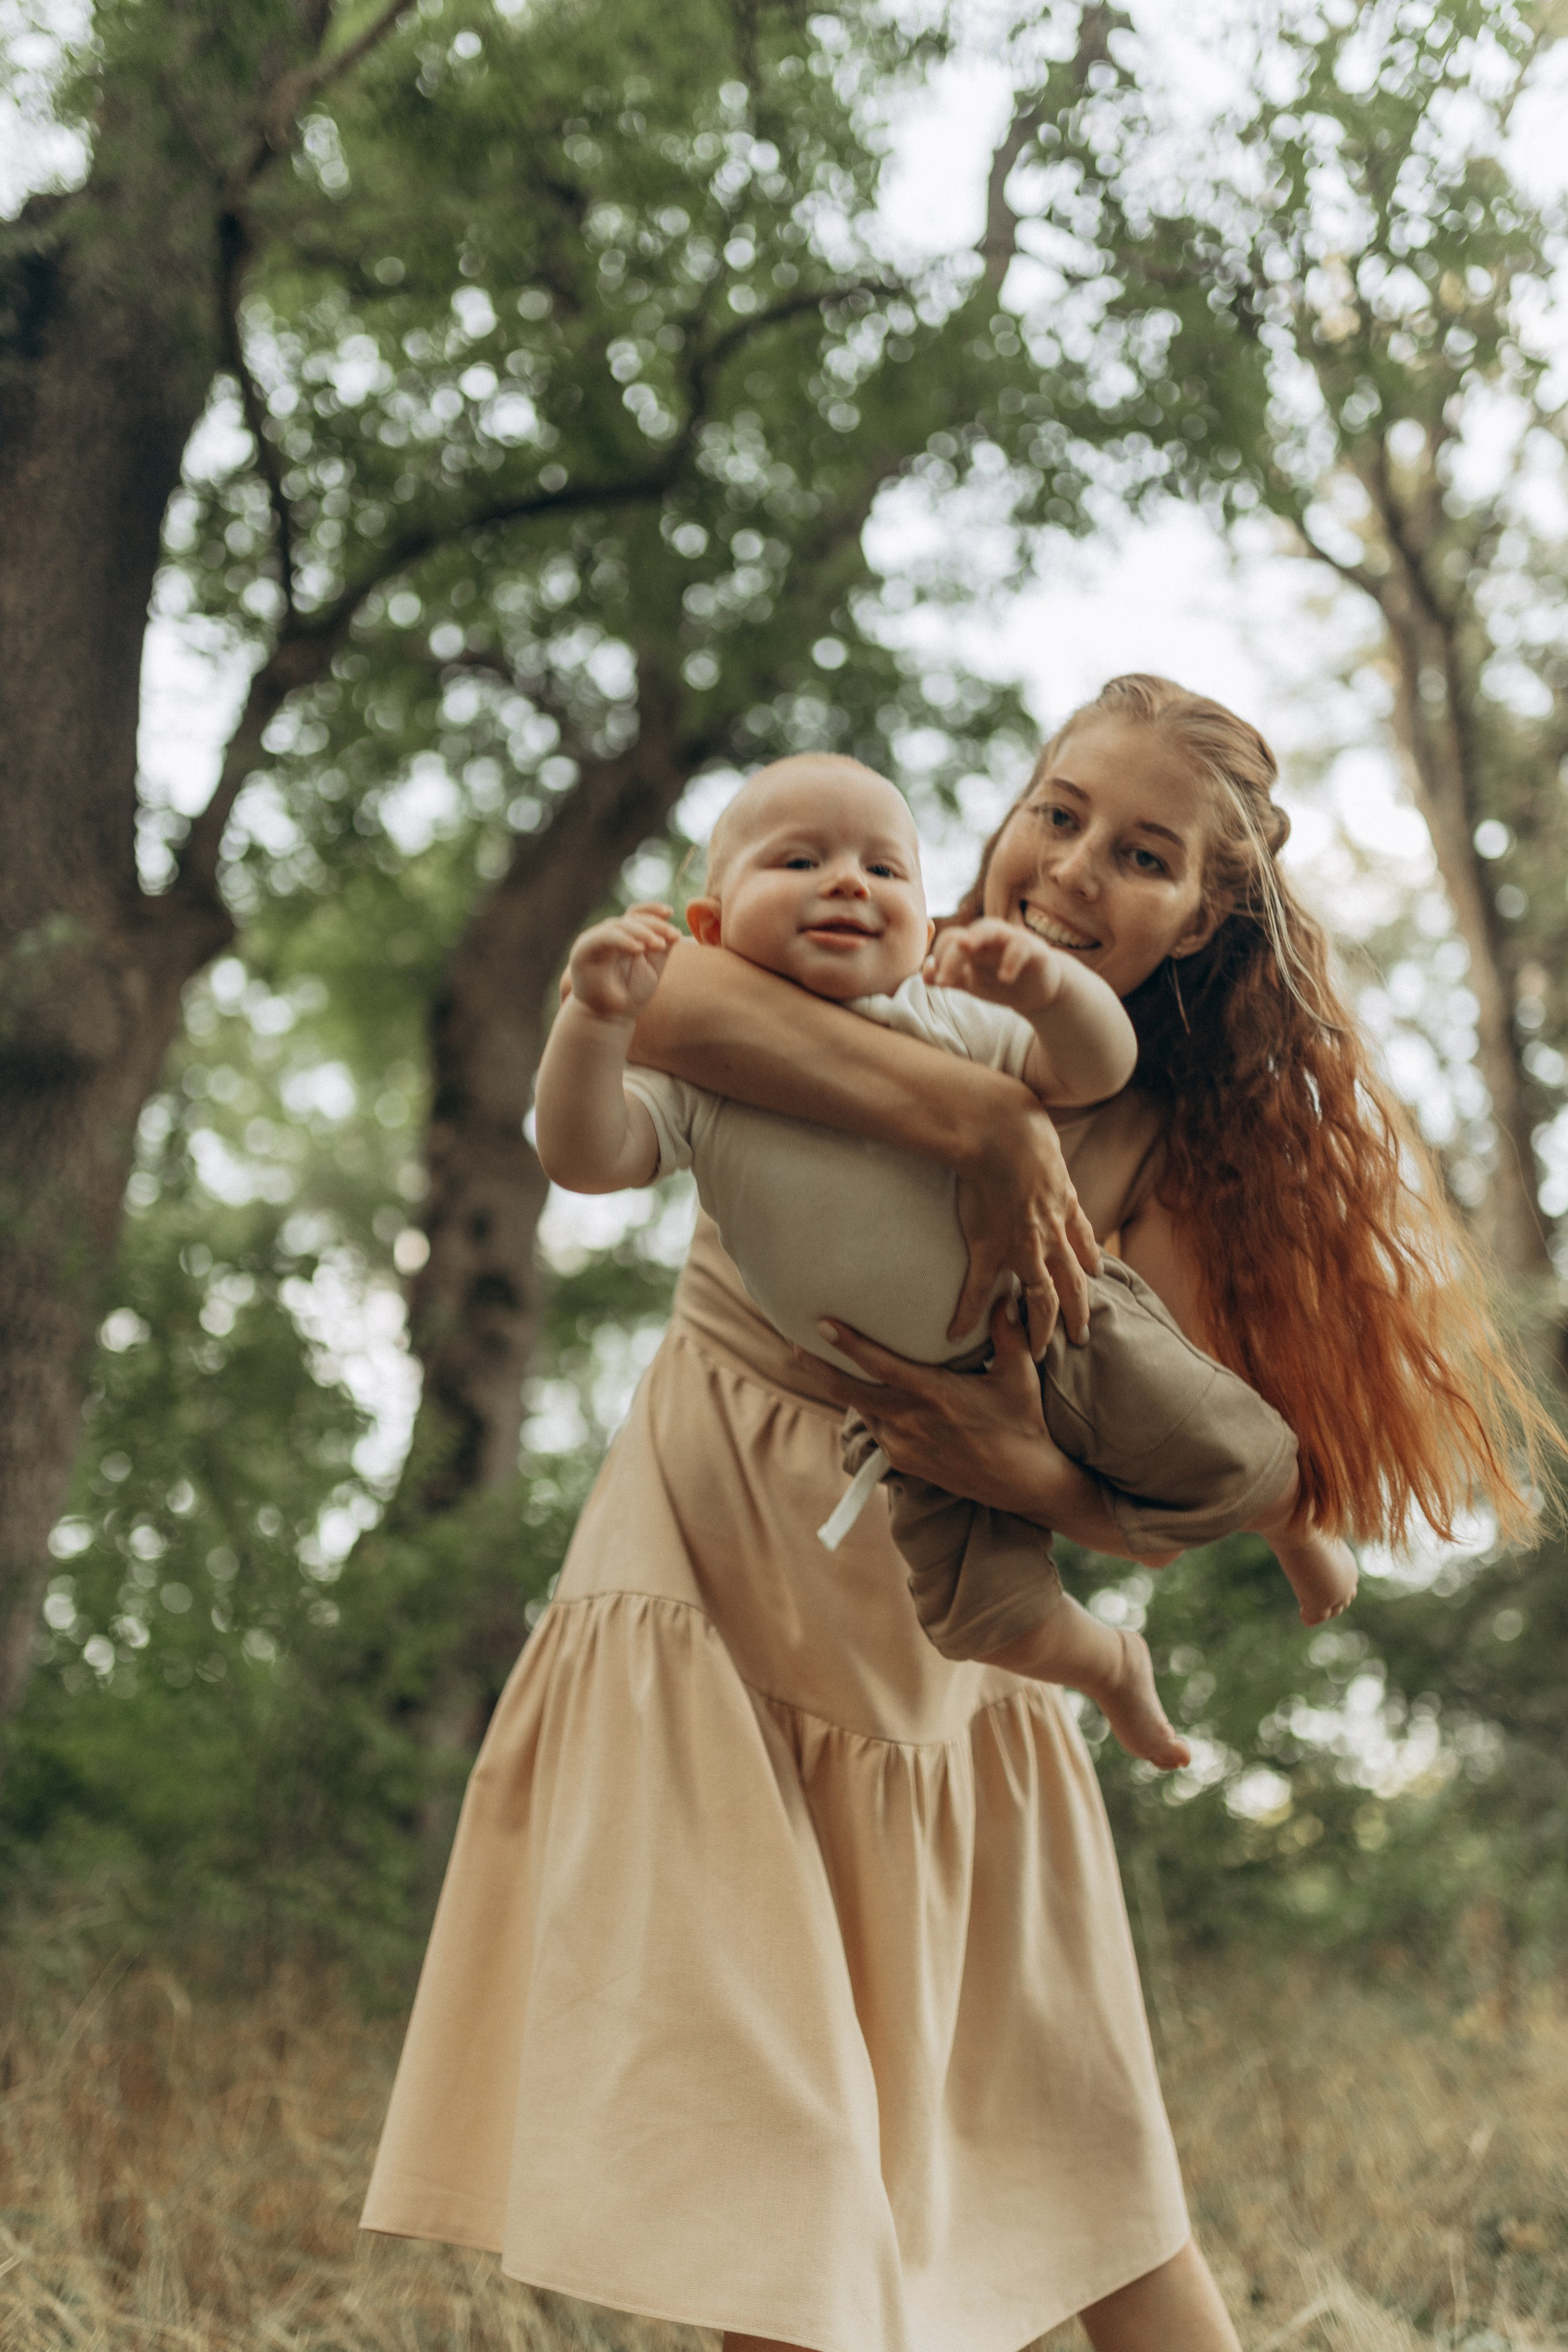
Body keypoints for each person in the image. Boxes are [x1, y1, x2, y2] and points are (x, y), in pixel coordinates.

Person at [363, 676, 1545, 2352]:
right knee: (760, 2165)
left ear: (1207, 916)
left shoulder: (1157, 1144)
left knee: (1078, 2170)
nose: (1069, 869)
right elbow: (663, 1005)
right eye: (1055, 813)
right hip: (714, 1575)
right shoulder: (858, 950)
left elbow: (1157, 1484)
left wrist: (1019, 1470)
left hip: (945, 1641)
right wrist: (980, 1120)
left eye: (1142, 856)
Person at [531, 752, 1352, 1773]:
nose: (846, 883)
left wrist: (1048, 993)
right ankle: (1106, 1667)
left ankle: (1294, 1521)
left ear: (921, 927)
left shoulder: (949, 1009)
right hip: (874, 1440)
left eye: (882, 871)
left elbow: (1088, 1069)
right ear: (711, 925)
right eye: (801, 861)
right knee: (987, 1616)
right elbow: (586, 1156)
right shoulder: (710, 1062)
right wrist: (595, 1018)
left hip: (1057, 1349)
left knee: (1204, 1434)